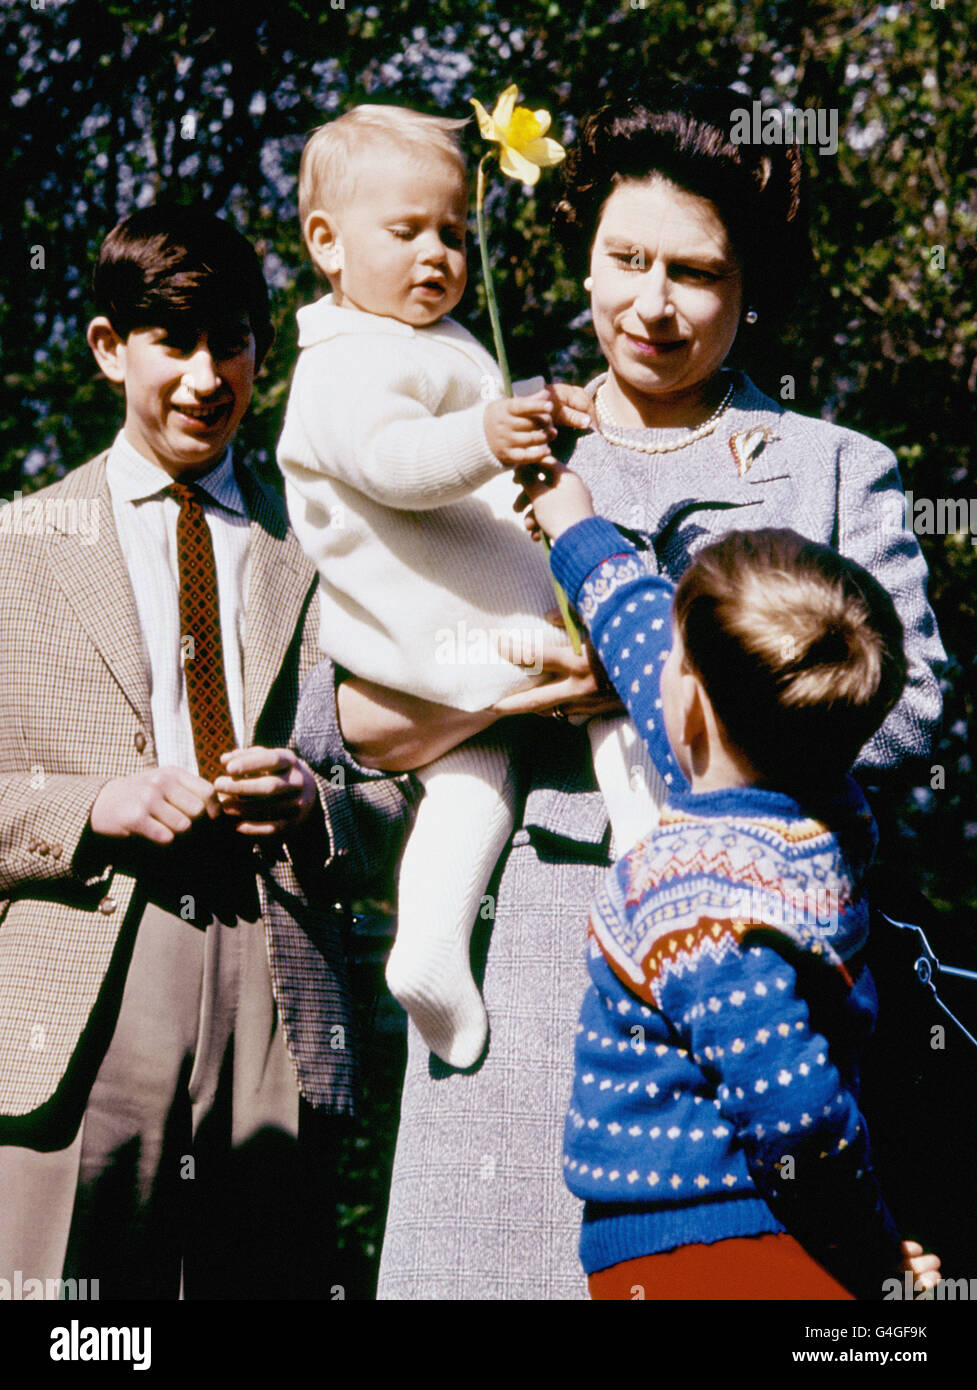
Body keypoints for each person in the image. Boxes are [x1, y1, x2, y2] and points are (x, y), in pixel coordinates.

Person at [296, 86, 945, 1300]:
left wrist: (643, 679)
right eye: (624, 259)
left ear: (748, 288)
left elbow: (906, 722)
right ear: (583, 258)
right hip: (504, 983)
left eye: (694, 273)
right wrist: (526, 695)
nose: (650, 304)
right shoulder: (492, 439)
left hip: (743, 1032)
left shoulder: (833, 470)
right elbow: (341, 727)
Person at [0, 205, 387, 1299]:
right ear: (108, 347)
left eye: (231, 341)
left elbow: (400, 790)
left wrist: (318, 802)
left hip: (278, 975)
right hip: (85, 979)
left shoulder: (320, 551)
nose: (207, 376)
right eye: (173, 341)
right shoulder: (14, 545)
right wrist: (89, 807)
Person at [277, 104, 658, 1072]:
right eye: (404, 232)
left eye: (453, 232)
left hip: (446, 626)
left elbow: (471, 450)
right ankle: (650, 837)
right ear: (326, 243)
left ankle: (430, 944)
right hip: (438, 622)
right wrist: (488, 435)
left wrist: (527, 419)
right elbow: (395, 461)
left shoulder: (428, 338)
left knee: (469, 773)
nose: (436, 254)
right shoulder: (342, 360)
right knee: (600, 661)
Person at [516, 463, 941, 1299]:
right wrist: (576, 530)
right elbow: (645, 639)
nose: (655, 666)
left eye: (677, 661)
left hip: (707, 1253)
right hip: (757, 1240)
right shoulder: (816, 808)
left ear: (694, 714)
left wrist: (870, 1252)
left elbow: (798, 1115)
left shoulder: (699, 897)